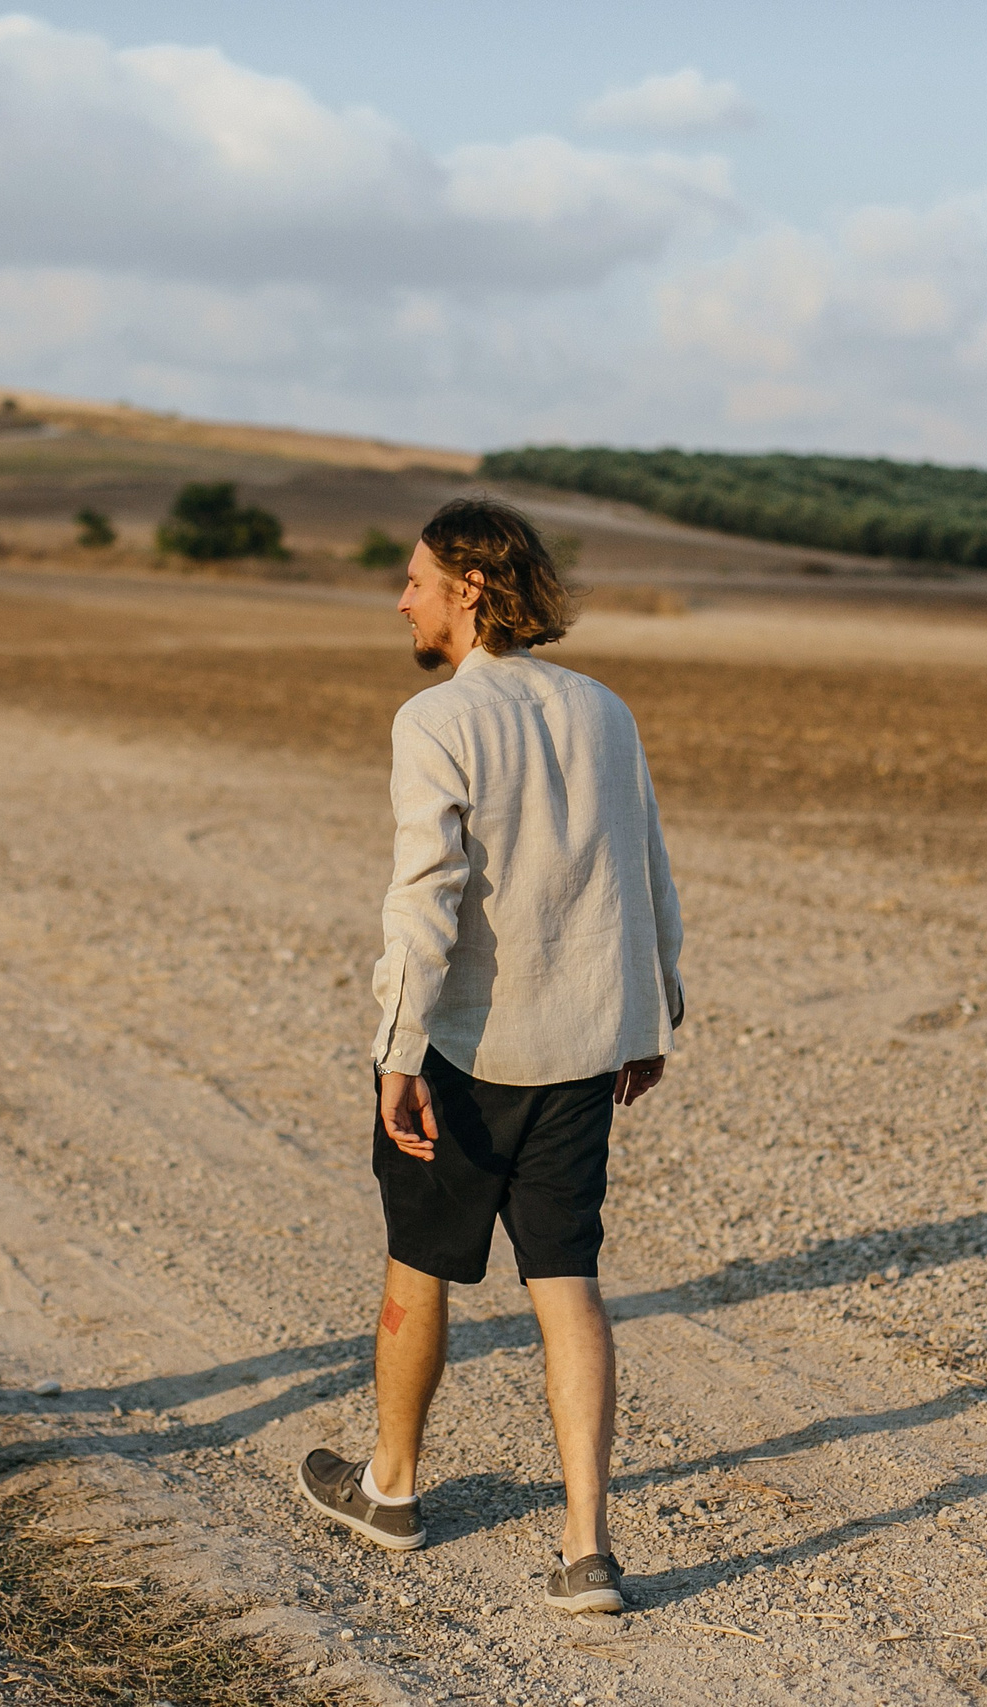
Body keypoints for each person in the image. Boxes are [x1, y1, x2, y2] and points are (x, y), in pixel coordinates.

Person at [299, 497, 683, 1616]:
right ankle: (585, 1553)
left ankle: (392, 1492)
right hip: (582, 1052)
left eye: (415, 578)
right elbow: (645, 867)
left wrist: (395, 1047)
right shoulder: (604, 709)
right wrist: (650, 1012)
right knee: (568, 1283)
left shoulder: (437, 720)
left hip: (468, 1050)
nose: (401, 598)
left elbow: (427, 894)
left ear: (470, 588)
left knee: (419, 1263)